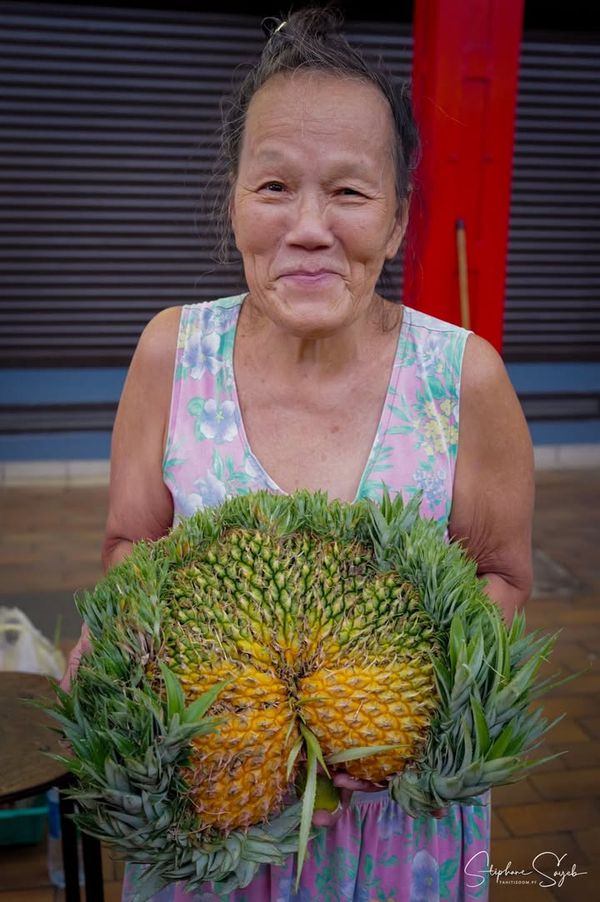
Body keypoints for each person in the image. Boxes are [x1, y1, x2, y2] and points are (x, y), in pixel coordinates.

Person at [63, 7, 534, 900]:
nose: (309, 226)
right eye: (274, 185)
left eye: (350, 193)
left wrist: (394, 705)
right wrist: (123, 630)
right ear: (233, 199)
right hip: (218, 810)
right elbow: (130, 543)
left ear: (397, 222)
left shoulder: (464, 380)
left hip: (396, 830)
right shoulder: (171, 353)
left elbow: (503, 578)